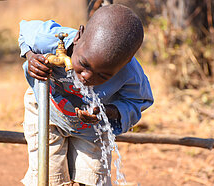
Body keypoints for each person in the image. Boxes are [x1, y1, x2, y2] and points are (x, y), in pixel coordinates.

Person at [19, 4, 154, 186]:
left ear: (124, 63)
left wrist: (107, 112)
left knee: (95, 180)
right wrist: (30, 56)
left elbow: (138, 102)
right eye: (84, 63)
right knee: (47, 177)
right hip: (45, 109)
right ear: (78, 37)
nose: (86, 77)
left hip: (92, 127)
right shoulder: (50, 39)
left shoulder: (130, 73)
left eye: (104, 75)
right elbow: (25, 31)